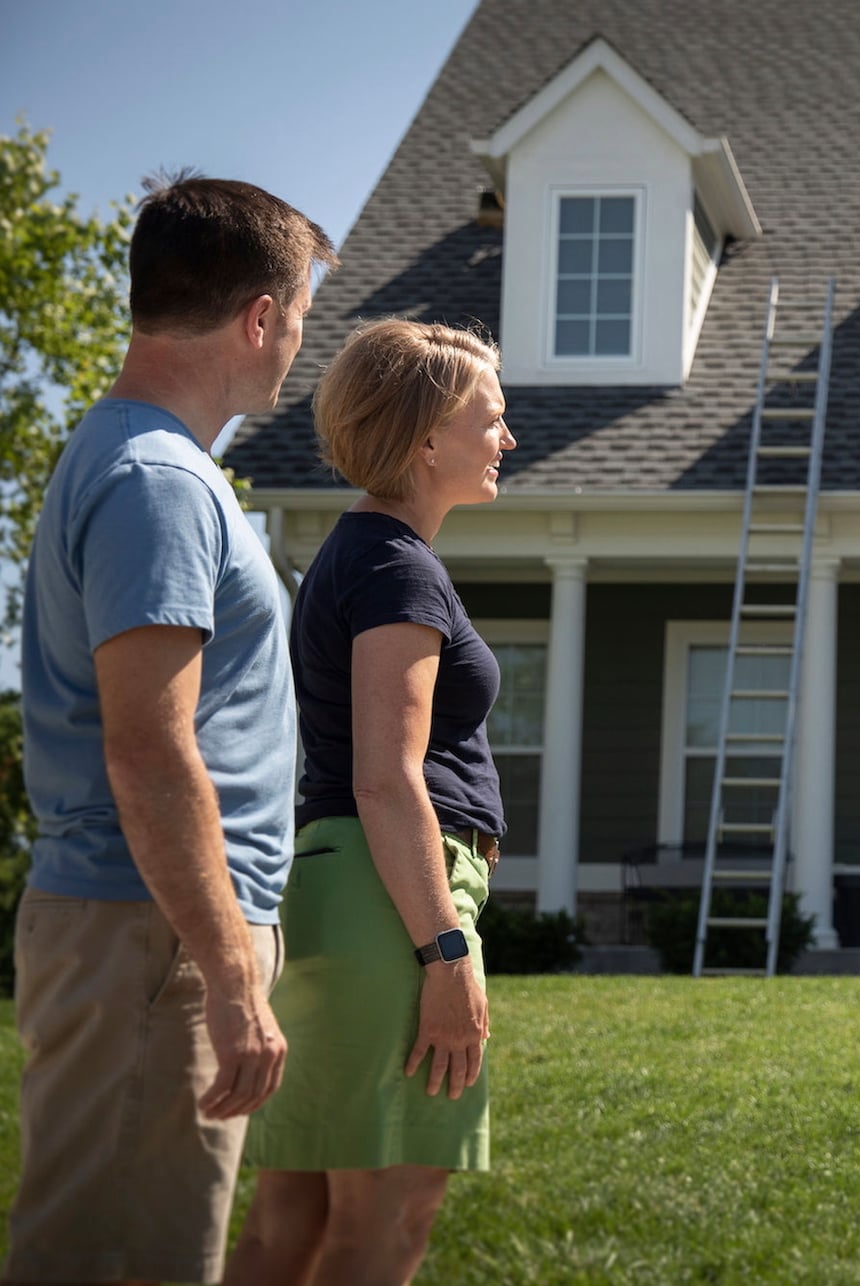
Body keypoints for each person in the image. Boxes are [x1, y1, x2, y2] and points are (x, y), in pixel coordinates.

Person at [5, 176, 334, 1285]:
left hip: (156, 936)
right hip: (156, 941)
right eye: (298, 317)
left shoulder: (145, 461)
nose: (297, 343)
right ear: (258, 317)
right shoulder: (157, 481)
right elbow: (149, 748)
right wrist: (232, 974)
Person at [226, 318, 515, 1286]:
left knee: (293, 1223)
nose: (505, 439)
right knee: (384, 1226)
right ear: (428, 439)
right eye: (492, 419)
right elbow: (388, 776)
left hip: (343, 893)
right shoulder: (397, 567)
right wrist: (446, 947)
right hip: (390, 908)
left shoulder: (357, 554)